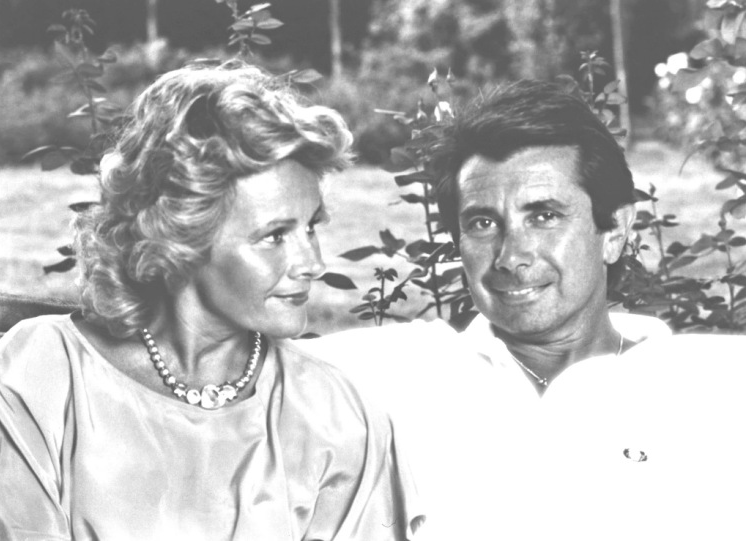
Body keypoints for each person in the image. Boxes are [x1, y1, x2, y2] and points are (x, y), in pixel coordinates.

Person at [299, 80, 746, 540]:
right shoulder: (386, 375)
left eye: (544, 216)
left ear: (614, 231)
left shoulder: (715, 387)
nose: (511, 257)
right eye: (483, 223)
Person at [0, 61, 423, 540]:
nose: (313, 263)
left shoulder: (339, 417)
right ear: (181, 237)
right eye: (274, 235)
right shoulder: (42, 373)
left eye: (311, 226)